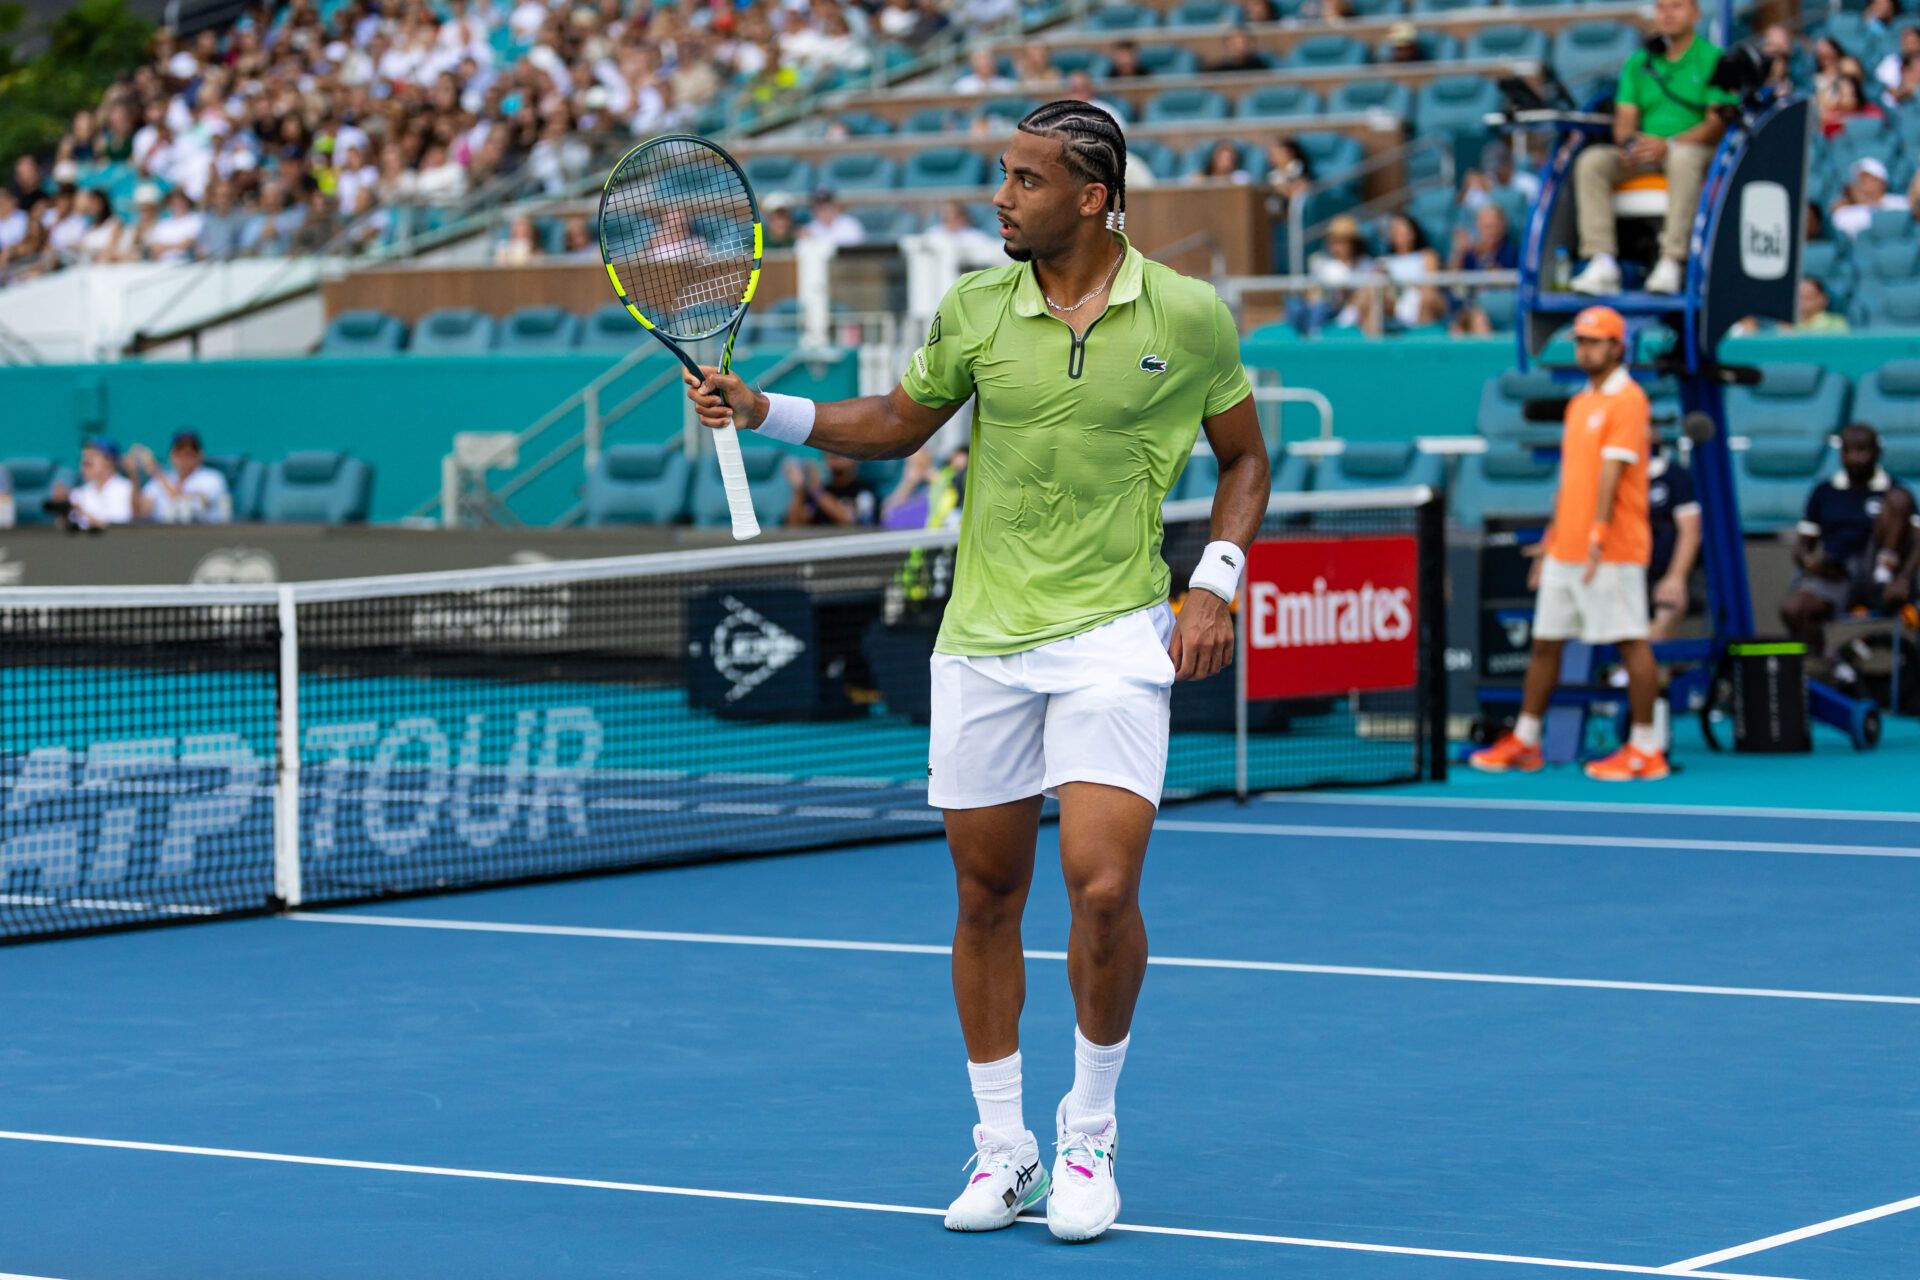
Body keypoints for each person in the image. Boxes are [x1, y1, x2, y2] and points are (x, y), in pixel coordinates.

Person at [684, 99, 1266, 1242]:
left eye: (1024, 180)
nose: (1001, 197)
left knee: (1101, 889)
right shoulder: (976, 306)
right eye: (1003, 177)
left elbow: (1243, 457)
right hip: (985, 642)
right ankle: (1005, 1147)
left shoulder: (1189, 314)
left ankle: (1089, 1129)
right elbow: (899, 420)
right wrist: (766, 409)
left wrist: (1217, 579)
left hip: (1112, 636)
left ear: (1092, 196)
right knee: (985, 895)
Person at [1470, 306, 1669, 781]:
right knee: (1544, 645)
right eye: (1580, 341)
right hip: (1566, 549)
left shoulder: (1629, 401)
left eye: (1595, 341)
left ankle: (1646, 749)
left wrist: (1598, 534)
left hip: (1612, 548)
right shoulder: (1580, 403)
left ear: (1618, 347)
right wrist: (1553, 538)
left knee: (1630, 644)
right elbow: (1573, 480)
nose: (1585, 349)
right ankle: (1527, 740)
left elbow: (1611, 474)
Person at [1569, 0, 1736, 296]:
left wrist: (1669, 145)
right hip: (1647, 151)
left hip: (1693, 150)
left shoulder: (1714, 59)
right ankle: (1601, 260)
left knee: (1683, 159)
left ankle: (1672, 260)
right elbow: (1624, 120)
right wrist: (1632, 143)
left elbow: (1716, 124)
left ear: (1695, 13)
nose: (1667, 14)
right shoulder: (1639, 62)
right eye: (1661, 7)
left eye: (1676, 6)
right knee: (1592, 161)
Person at [1779, 424, 1919, 653]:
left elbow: (1917, 542)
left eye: (1862, 450)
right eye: (1848, 451)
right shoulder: (1824, 492)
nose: (1854, 458)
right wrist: (1813, 564)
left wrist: (1903, 578)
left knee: (1898, 499)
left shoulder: (1895, 489)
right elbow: (1802, 548)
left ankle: (1883, 576)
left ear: (1877, 452)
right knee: (1794, 608)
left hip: (1881, 570)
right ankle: (1828, 668)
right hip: (1839, 572)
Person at [1645, 445, 1701, 644]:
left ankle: (1652, 670)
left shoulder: (1675, 476)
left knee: (1670, 602)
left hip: (1665, 572)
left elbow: (1690, 532)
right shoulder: (1609, 476)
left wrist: (1676, 577)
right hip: (1625, 572)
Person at [128, 429, 232, 524]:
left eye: (188, 454)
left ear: (200, 455)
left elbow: (182, 501)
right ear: (172, 455)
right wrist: (133, 475)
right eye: (179, 453)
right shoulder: (161, 480)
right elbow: (139, 512)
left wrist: (156, 472)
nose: (183, 459)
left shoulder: (212, 478)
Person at [52, 439, 137, 530]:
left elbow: (118, 527)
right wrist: (61, 510)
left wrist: (82, 512)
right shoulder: (77, 494)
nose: (85, 462)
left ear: (109, 460)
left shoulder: (127, 489)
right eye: (84, 457)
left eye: (92, 456)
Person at [783, 453, 880, 526]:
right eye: (829, 450)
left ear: (856, 457)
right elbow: (794, 526)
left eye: (841, 449)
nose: (834, 453)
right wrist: (798, 490)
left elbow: (849, 520)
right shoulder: (818, 493)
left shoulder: (865, 492)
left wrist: (816, 489)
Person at [1829, 157, 1908, 238]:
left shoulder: (1902, 203)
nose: (1863, 182)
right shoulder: (1845, 212)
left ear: (1882, 182)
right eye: (1860, 178)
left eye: (1868, 177)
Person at [799, 188, 864, 247]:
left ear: (835, 206)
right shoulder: (809, 229)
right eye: (820, 207)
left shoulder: (851, 225)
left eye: (827, 206)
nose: (824, 211)